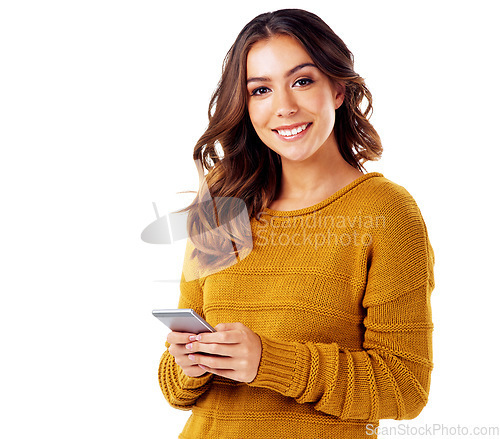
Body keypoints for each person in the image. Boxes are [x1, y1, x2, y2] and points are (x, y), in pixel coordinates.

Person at [158, 8, 435, 439]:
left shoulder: (386, 213)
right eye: (261, 90)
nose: (284, 107)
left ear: (338, 90)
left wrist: (268, 361)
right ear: (245, 105)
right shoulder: (221, 205)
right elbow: (173, 389)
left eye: (302, 81)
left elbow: (405, 387)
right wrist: (188, 363)